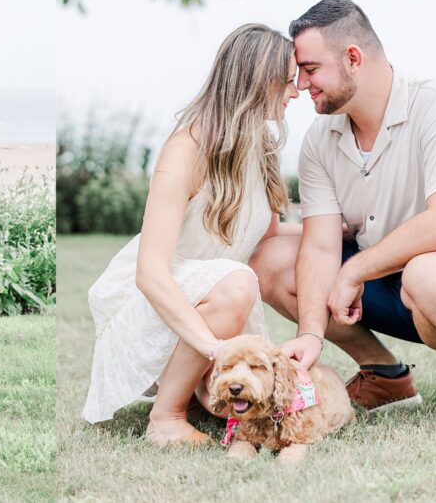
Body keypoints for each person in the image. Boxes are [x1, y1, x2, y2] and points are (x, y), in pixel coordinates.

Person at [253, 0, 436, 430]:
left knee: (428, 274)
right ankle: (385, 377)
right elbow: (322, 243)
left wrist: (353, 273)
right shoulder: (319, 139)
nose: (302, 83)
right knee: (271, 262)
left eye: (310, 70)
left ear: (353, 58)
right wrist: (311, 333)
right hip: (391, 282)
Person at [82, 24, 300, 445]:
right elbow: (150, 274)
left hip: (213, 305)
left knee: (228, 405)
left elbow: (270, 235)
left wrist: (337, 227)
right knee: (238, 283)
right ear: (259, 80)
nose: (296, 91)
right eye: (288, 81)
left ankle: (198, 391)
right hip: (155, 303)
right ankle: (166, 417)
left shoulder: (262, 146)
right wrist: (214, 348)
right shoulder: (186, 149)